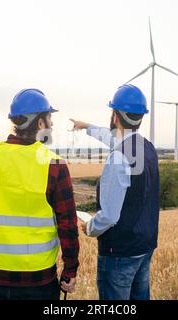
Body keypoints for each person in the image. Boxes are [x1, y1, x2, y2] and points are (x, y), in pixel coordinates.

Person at [0, 88, 79, 300]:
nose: (52, 124)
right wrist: (70, 269)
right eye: (49, 118)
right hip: (39, 279)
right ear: (40, 123)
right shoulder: (54, 164)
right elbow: (68, 225)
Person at [70, 84, 159, 300]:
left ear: (115, 116)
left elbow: (109, 215)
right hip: (144, 247)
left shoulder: (119, 158)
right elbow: (116, 139)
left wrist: (90, 227)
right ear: (140, 117)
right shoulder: (147, 147)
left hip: (120, 254)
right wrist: (87, 126)